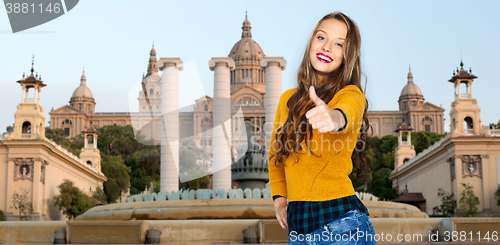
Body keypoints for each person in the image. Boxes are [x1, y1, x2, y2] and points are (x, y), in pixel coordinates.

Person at [268, 12, 375, 244]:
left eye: (338, 44)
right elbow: (276, 156)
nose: (327, 47)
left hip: (343, 225)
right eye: (321, 38)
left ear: (348, 55)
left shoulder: (350, 94)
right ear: (311, 44)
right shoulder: (288, 99)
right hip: (298, 229)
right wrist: (280, 201)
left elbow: (349, 111)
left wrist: (335, 118)